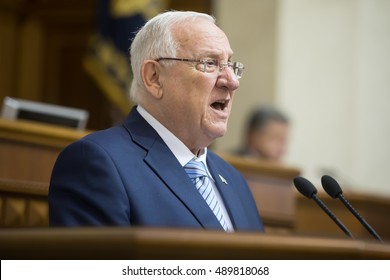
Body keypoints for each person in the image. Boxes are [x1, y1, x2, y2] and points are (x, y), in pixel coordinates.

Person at [48, 11, 263, 232]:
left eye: (231, 65)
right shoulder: (96, 163)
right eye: (209, 63)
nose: (232, 81)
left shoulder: (233, 179)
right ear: (154, 78)